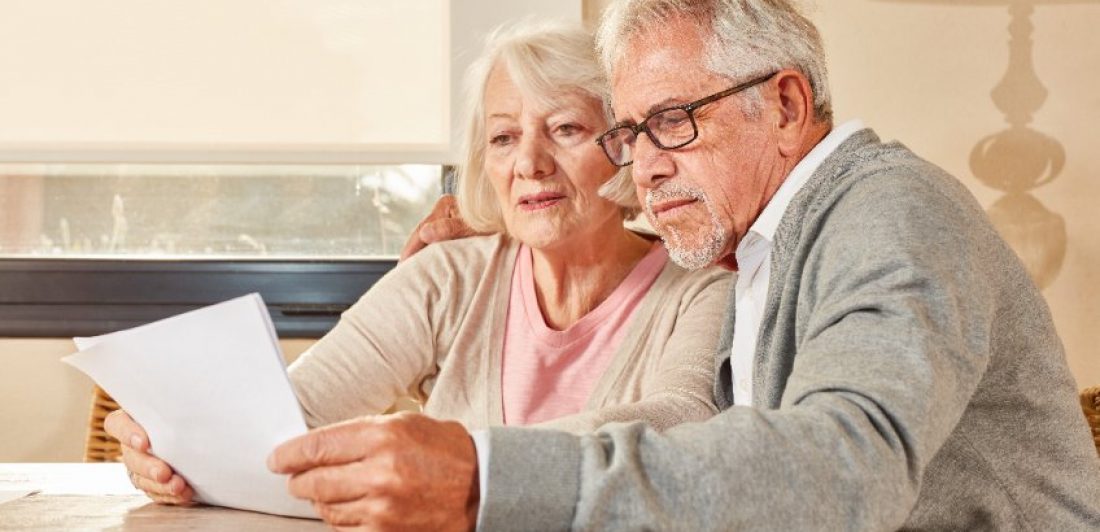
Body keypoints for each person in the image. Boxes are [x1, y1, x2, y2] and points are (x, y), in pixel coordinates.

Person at [265, 0, 1100, 530]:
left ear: (785, 104)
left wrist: (487, 474)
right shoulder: (759, 251)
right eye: (630, 134)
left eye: (672, 121)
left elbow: (848, 470)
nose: (646, 165)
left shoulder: (890, 211)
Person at [104, 21, 730, 509]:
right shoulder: (447, 276)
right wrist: (172, 439)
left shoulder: (699, 289)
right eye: (504, 137)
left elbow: (680, 423)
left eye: (565, 128)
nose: (529, 164)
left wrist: (460, 459)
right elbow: (290, 416)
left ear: (622, 145)